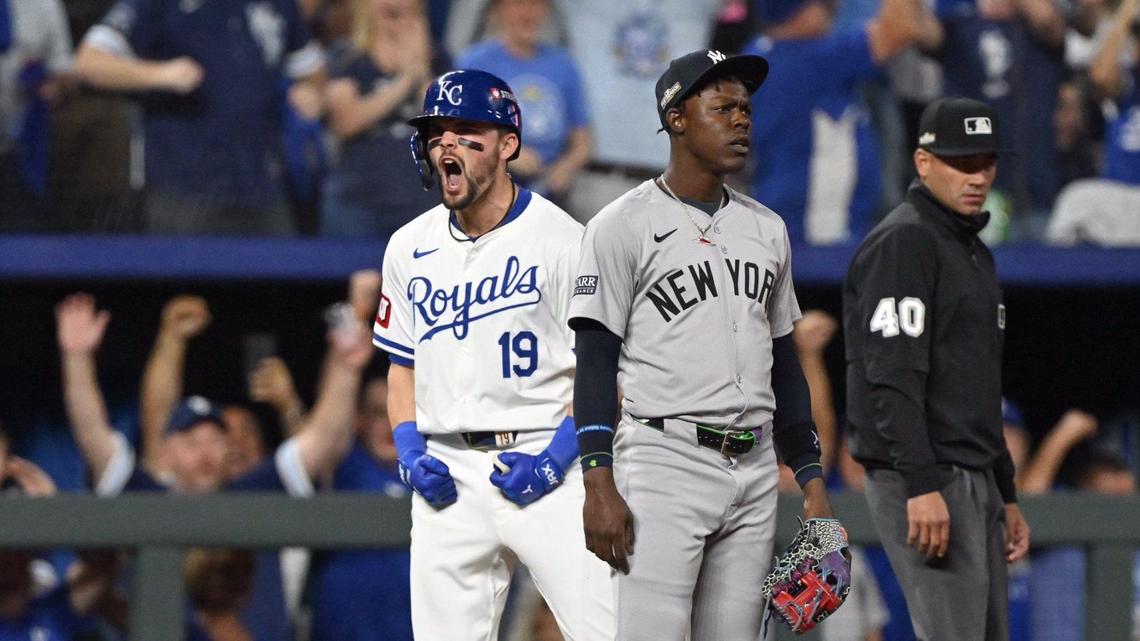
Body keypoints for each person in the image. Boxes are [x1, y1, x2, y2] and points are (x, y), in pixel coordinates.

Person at [568, 49, 839, 640]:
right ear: (676, 118)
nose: (741, 119)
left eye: (745, 108)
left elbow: (784, 366)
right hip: (665, 459)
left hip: (755, 466)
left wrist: (812, 478)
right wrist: (597, 482)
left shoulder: (768, 229)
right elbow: (593, 364)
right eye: (722, 107)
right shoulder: (620, 225)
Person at [372, 68, 613, 640]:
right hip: (447, 471)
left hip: (549, 459)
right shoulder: (408, 247)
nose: (445, 144)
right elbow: (401, 366)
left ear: (508, 145)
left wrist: (557, 458)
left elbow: (607, 373)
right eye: (436, 131)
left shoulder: (565, 240)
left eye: (465, 129)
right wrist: (408, 449)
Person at [843, 96, 1031, 641]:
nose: (978, 177)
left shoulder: (971, 248)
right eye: (962, 163)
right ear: (924, 163)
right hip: (926, 476)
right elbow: (891, 374)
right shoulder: (905, 241)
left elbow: (978, 385)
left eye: (986, 163)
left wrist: (1007, 492)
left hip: (974, 476)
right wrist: (920, 485)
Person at [73, 0, 325, 235]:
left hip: (264, 187)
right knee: (186, 279)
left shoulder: (278, 5)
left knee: (279, 278)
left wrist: (309, 93)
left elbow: (312, 70)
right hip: (182, 187)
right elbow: (89, 63)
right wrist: (159, 74)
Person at [320, 0, 447, 239]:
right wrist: (405, 80)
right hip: (358, 200)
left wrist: (420, 72)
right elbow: (346, 122)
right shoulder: (347, 57)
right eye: (392, 14)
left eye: (409, 13)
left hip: (423, 200)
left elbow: (446, 124)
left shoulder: (437, 59)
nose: (400, 21)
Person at [456, 0, 592, 202]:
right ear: (497, 11)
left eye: (537, 4)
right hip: (488, 188)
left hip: (547, 189)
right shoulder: (474, 63)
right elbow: (457, 133)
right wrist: (506, 153)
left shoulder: (564, 65)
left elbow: (583, 141)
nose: (528, 12)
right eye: (519, 4)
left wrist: (565, 168)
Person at [1046, 0, 1140, 246]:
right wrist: (1127, 13)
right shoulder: (1130, 86)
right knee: (1075, 200)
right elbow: (1099, 75)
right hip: (1121, 198)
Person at [0, 0, 73, 233]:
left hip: (22, 150)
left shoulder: (44, 6)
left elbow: (62, 72)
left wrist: (50, 87)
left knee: (21, 243)